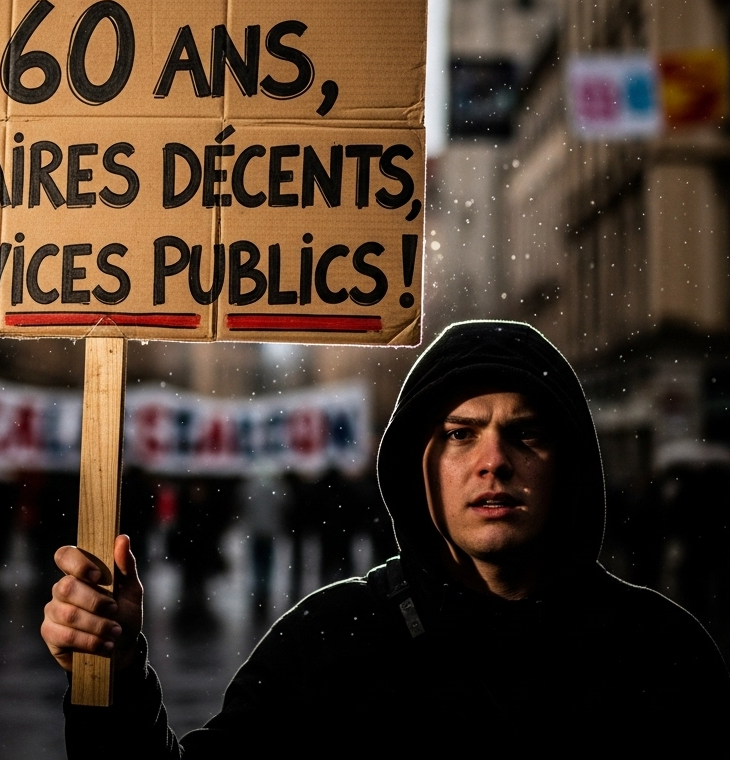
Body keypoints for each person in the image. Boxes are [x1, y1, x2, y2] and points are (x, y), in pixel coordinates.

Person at [42, 321, 729, 753]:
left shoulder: (661, 654)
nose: (494, 461)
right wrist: (117, 677)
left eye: (526, 433)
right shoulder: (330, 639)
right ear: (417, 467)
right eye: (460, 435)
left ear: (569, 463)